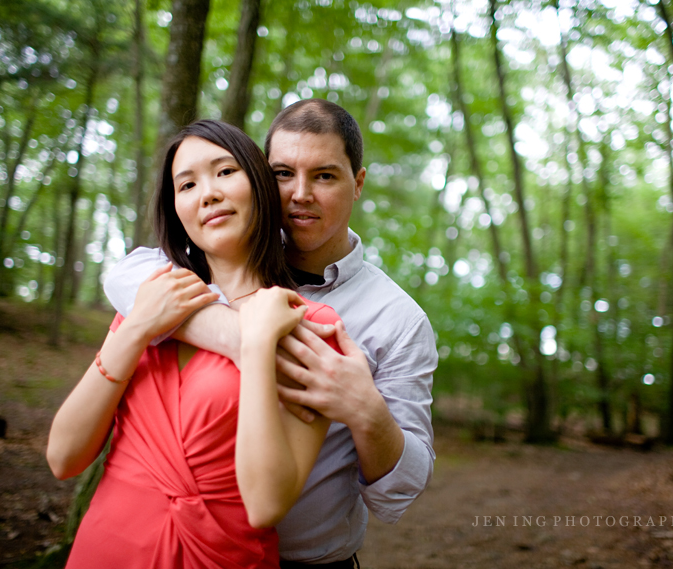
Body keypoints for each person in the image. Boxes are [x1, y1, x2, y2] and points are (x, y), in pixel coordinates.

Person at [104, 99, 437, 568]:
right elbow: (127, 274)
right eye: (282, 174)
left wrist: (366, 412)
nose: (300, 194)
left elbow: (401, 493)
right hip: (181, 546)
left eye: (324, 176)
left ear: (357, 183)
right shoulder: (221, 255)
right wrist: (244, 337)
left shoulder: (398, 320)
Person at [47, 120, 343, 568]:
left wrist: (259, 343)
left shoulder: (311, 327)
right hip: (104, 548)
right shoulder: (150, 298)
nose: (207, 193)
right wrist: (134, 329)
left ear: (260, 186)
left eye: (225, 172)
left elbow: (266, 505)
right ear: (177, 209)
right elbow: (63, 458)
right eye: (187, 184)